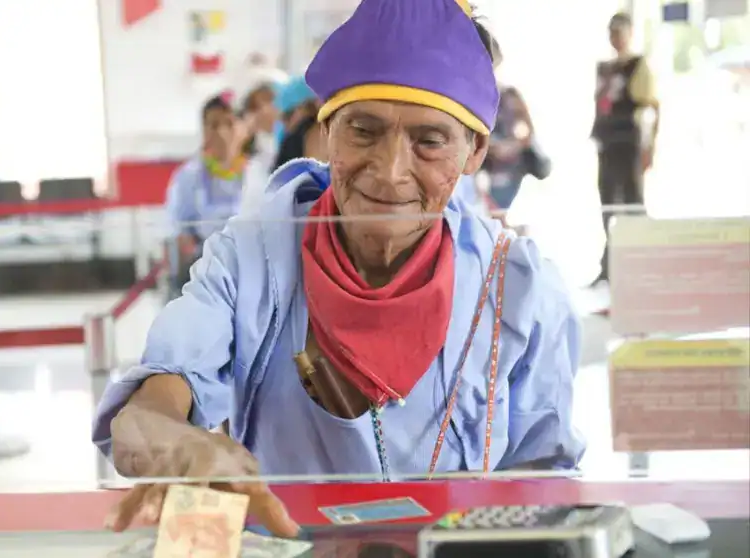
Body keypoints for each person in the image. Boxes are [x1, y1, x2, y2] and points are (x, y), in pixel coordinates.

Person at [96, 0, 585, 536]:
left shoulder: (518, 289)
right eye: (363, 131)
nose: (391, 171)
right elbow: (146, 411)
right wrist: (177, 443)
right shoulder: (253, 259)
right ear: (326, 130)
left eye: (428, 141)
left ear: (475, 152)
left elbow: (548, 480)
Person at [591, 12, 659, 284]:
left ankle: (640, 264)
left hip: (629, 141)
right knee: (607, 204)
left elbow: (652, 106)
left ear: (629, 33)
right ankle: (610, 266)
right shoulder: (604, 68)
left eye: (619, 31)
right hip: (606, 141)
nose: (615, 37)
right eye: (612, 31)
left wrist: (650, 146)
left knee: (632, 204)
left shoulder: (637, 65)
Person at [165, 94, 253, 298]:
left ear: (242, 129)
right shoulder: (188, 177)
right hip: (202, 277)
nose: (222, 132)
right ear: (204, 131)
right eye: (214, 125)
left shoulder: (258, 174)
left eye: (229, 124)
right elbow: (180, 233)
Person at [479, 85, 550, 225]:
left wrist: (526, 141)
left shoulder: (524, 153)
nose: (507, 119)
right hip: (481, 217)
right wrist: (489, 148)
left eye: (515, 113)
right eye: (503, 112)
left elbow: (543, 170)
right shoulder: (481, 151)